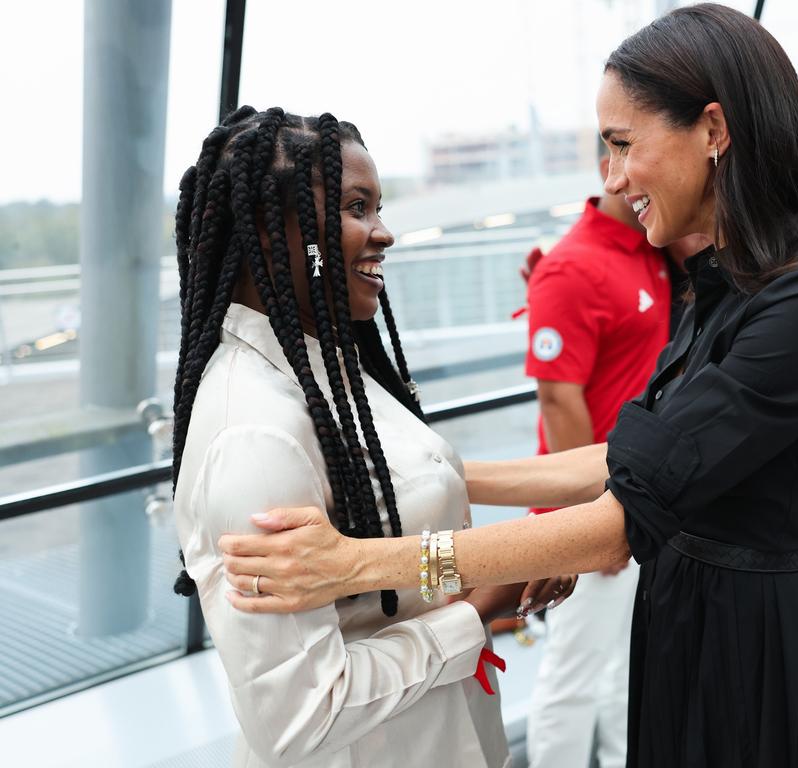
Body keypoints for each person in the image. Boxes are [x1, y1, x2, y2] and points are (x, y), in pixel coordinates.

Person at [218, 7, 798, 766]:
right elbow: (626, 458)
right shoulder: (728, 280)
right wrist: (412, 478)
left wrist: (364, 559)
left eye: (622, 146)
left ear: (713, 130)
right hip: (694, 626)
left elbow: (621, 517)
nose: (612, 178)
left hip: (769, 656)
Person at [170, 106, 572, 768]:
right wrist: (476, 608)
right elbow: (300, 714)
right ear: (272, 234)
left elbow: (392, 541)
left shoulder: (331, 370)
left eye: (377, 207)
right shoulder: (254, 434)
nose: (383, 233)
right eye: (358, 207)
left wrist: (503, 559)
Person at [521, 139, 671, 768]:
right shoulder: (572, 266)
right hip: (595, 504)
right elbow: (559, 404)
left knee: (624, 669)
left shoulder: (653, 251)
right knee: (573, 676)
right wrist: (596, 518)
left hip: (640, 496)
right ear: (608, 168)